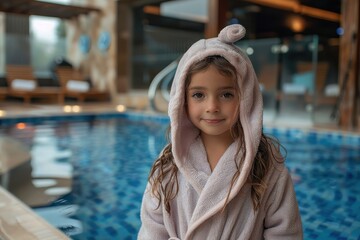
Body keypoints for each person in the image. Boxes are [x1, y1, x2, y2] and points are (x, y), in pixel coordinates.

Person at [138, 24, 303, 240]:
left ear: (246, 97)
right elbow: (152, 227)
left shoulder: (267, 162)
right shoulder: (169, 163)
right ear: (182, 100)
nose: (212, 106)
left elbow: (285, 233)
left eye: (226, 94)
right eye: (198, 95)